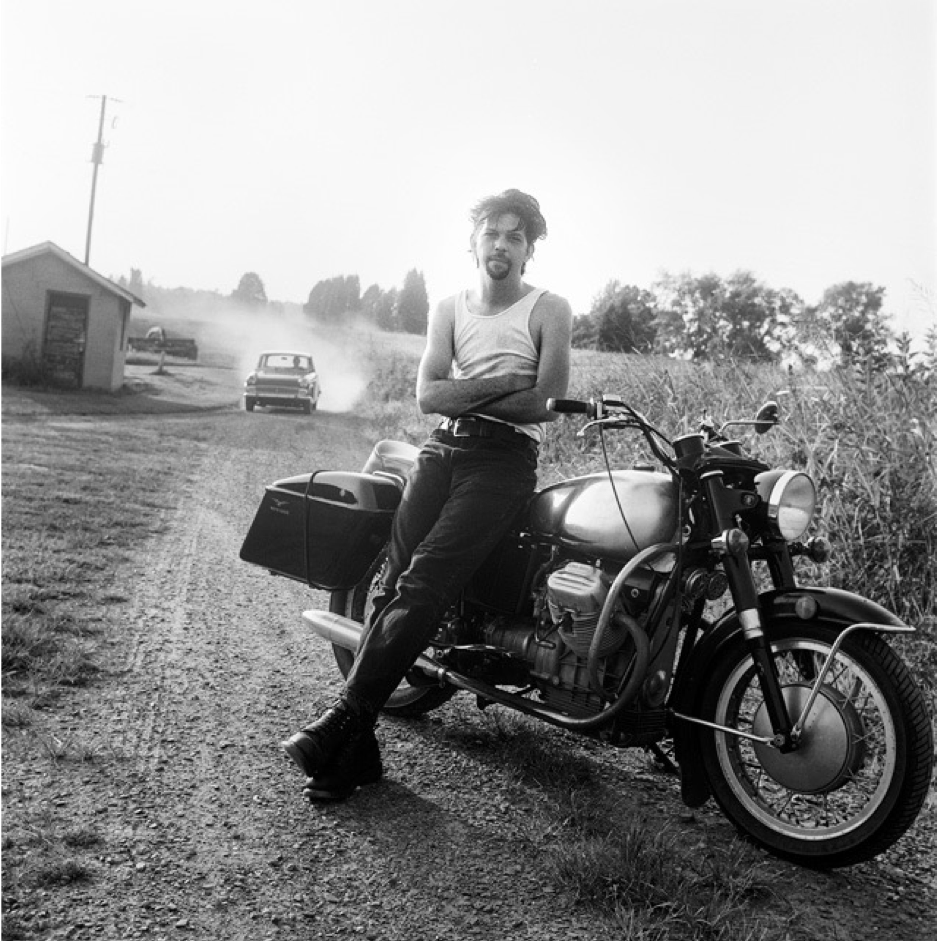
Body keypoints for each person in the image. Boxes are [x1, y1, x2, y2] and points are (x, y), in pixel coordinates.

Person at [282, 188, 573, 801]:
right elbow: (428, 398)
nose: (501, 244)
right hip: (443, 448)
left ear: (529, 249)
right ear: (473, 242)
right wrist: (504, 384)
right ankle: (357, 748)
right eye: (492, 232)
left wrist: (467, 387)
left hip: (504, 460)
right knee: (390, 583)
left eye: (516, 235)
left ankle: (343, 720)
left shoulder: (550, 310)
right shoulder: (448, 308)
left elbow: (543, 403)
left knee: (426, 581)